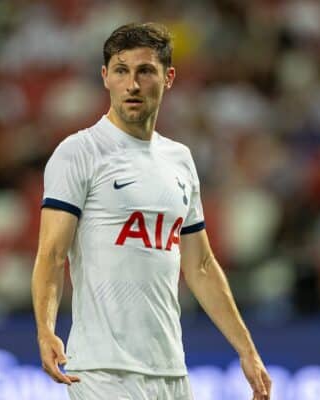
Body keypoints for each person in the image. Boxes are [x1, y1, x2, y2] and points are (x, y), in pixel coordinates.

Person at [31, 22, 272, 400]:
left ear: (168, 77)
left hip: (170, 370)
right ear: (105, 77)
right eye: (121, 70)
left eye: (145, 71)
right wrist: (46, 329)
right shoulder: (80, 152)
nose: (132, 84)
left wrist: (247, 350)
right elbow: (52, 253)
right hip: (102, 369)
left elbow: (202, 265)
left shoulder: (180, 160)